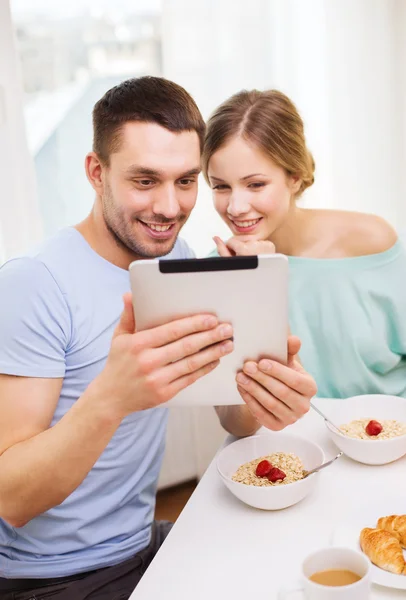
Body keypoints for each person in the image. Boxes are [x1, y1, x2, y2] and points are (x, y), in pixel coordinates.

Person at [0, 77, 316, 600]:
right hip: (53, 578)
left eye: (187, 181)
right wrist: (111, 397)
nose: (170, 207)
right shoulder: (34, 283)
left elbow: (232, 416)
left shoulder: (176, 261)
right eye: (145, 181)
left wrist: (260, 373)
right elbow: (11, 497)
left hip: (144, 544)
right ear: (96, 173)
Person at [203, 88, 406, 399]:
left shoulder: (372, 243)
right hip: (287, 445)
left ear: (294, 176)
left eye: (255, 184)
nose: (235, 207)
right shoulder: (220, 270)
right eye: (220, 187)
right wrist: (258, 278)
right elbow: (237, 423)